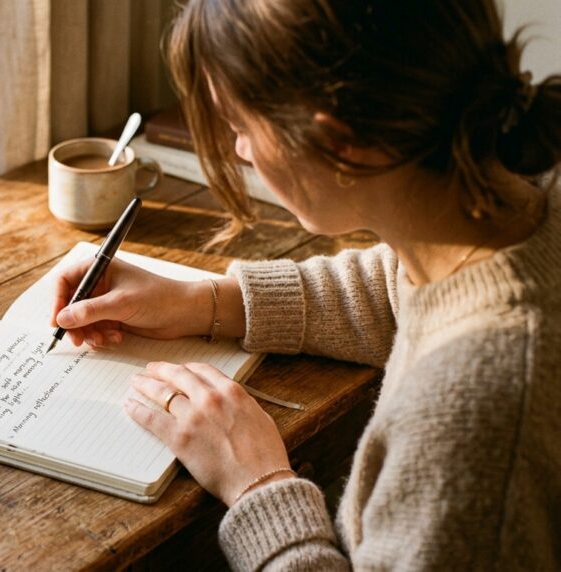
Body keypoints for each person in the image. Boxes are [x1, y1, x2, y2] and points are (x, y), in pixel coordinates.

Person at [50, 0, 561, 569]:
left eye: (242, 128)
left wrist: (258, 484)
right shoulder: (524, 195)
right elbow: (409, 288)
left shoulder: (475, 415)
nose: (240, 150)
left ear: (338, 144)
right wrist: (208, 301)